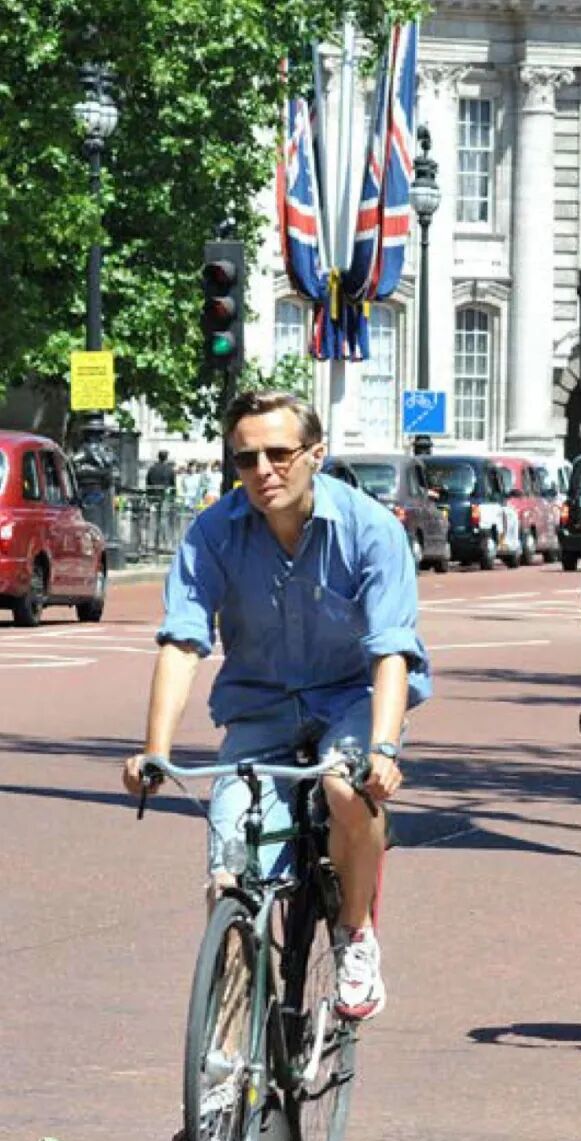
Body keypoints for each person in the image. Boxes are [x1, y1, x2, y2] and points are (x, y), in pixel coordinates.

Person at [122, 390, 431, 1021]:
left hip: (351, 698)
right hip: (260, 708)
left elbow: (390, 650)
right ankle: (228, 1063)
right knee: (229, 881)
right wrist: (154, 752)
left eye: (280, 454)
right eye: (246, 458)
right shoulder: (213, 532)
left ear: (316, 454)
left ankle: (354, 935)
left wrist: (383, 750)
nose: (263, 470)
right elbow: (183, 641)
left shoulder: (371, 530)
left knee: (346, 788)